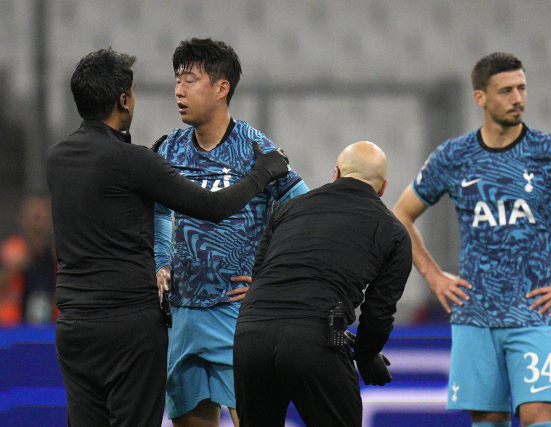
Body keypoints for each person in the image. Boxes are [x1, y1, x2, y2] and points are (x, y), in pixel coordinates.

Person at [46, 48, 289, 427]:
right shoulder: (139, 158)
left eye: (188, 80)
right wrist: (263, 173)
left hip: (75, 324)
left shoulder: (56, 158)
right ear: (123, 100)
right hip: (137, 324)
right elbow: (209, 207)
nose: (178, 90)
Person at [392, 52, 551, 427]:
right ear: (480, 97)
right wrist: (433, 276)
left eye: (522, 88)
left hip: (534, 315)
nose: (518, 98)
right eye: (506, 91)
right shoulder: (454, 156)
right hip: (475, 317)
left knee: (540, 420)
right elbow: (400, 214)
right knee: (488, 421)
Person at [153, 38, 308, 427]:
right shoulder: (169, 151)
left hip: (237, 317)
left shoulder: (257, 151)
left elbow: (304, 215)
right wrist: (160, 262)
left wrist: (268, 279)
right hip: (183, 316)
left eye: (190, 80)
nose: (179, 91)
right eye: (177, 80)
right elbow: (158, 212)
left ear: (222, 88)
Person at [233, 141, 413, 427]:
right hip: (315, 342)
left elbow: (261, 275)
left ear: (336, 173)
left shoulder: (286, 210)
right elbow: (378, 314)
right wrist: (366, 356)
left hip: (250, 337)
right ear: (383, 187)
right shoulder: (394, 233)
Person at [0, 194, 57, 326]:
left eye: (43, 219)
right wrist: (11, 271)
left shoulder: (58, 258)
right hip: (13, 328)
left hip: (52, 327)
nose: (37, 225)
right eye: (34, 218)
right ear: (22, 220)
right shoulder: (8, 253)